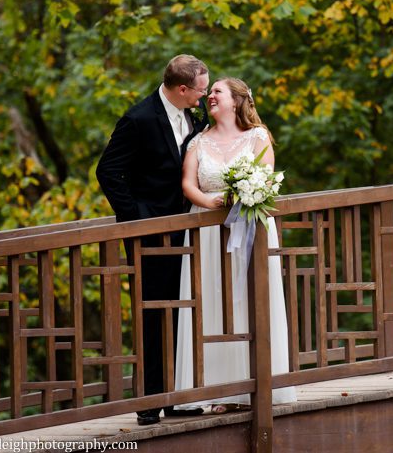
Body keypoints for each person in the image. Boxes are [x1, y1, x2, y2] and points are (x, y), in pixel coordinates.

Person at [96, 54, 211, 426]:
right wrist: (137, 218)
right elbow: (108, 171)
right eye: (200, 91)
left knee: (181, 311)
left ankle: (176, 394)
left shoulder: (192, 116)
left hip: (187, 230)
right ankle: (148, 400)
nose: (204, 98)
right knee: (151, 314)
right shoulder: (139, 118)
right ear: (181, 89)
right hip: (149, 233)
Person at [174, 77, 297, 413]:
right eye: (209, 91)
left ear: (237, 100)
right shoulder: (198, 142)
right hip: (208, 232)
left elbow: (267, 179)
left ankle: (257, 384)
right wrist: (212, 202)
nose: (209, 96)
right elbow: (188, 184)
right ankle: (216, 390)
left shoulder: (258, 137)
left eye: (217, 91)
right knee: (212, 302)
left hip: (251, 227)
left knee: (249, 300)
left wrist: (244, 196)